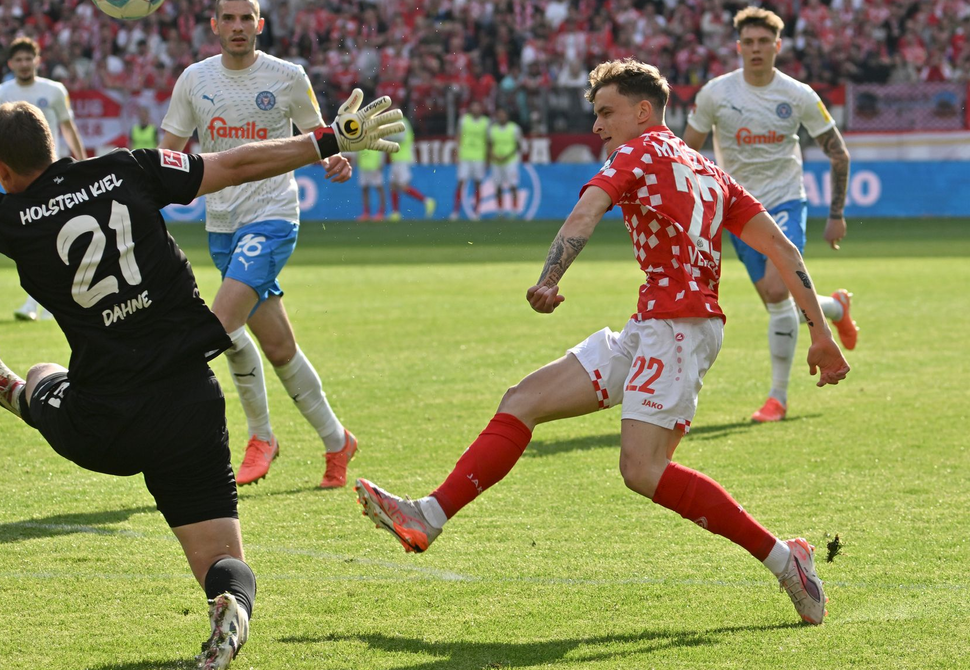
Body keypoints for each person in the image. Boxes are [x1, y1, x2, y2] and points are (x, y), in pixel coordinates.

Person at [0, 24, 400, 669]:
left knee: (43, 372)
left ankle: (22, 394)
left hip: (104, 420)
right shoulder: (127, 168)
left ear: (3, 170)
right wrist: (328, 139)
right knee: (221, 562)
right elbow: (234, 165)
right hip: (189, 404)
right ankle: (230, 606)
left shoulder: (11, 219)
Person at [355, 58, 850, 627]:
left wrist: (549, 278)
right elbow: (784, 252)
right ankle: (428, 516)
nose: (597, 126)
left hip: (680, 330)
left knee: (642, 470)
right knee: (523, 399)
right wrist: (821, 333)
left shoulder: (635, 153)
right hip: (655, 325)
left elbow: (587, 210)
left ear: (644, 112)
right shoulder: (711, 172)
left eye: (606, 112)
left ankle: (789, 563)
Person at [159, 0, 360, 489]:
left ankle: (260, 438)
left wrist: (332, 158)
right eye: (228, 18)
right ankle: (338, 441)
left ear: (259, 24)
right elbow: (167, 150)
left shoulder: (288, 76)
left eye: (245, 18)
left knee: (220, 328)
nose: (237, 26)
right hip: (221, 224)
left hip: (272, 217)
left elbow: (318, 137)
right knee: (277, 346)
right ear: (214, 25)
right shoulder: (195, 79)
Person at [683, 7, 858, 423]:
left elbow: (839, 153)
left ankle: (777, 398)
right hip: (737, 211)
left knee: (779, 292)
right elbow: (686, 153)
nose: (756, 49)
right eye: (749, 42)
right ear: (739, 46)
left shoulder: (798, 95)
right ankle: (834, 307)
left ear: (778, 46)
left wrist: (836, 214)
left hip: (784, 203)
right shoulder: (715, 94)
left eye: (764, 42)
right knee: (774, 296)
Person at [0, 36, 87, 322]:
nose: (24, 64)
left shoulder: (54, 90)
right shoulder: (0, 92)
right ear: (10, 64)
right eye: (18, 59)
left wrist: (82, 164)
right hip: (18, 179)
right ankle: (47, 301)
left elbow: (68, 127)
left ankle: (37, 303)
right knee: (36, 238)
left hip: (53, 174)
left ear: (37, 61)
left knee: (54, 234)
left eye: (28, 58)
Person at [386, 113, 436, 221]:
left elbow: (400, 137)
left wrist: (386, 136)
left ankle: (427, 201)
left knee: (403, 186)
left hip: (403, 158)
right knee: (393, 185)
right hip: (396, 159)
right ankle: (396, 213)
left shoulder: (403, 122)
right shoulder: (394, 123)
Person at [450, 100, 488, 220]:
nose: (476, 108)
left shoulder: (486, 122)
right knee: (461, 183)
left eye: (478, 106)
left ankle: (476, 211)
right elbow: (458, 137)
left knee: (477, 184)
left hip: (479, 156)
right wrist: (456, 153)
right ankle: (456, 211)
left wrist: (487, 158)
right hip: (465, 156)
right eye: (474, 106)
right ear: (470, 108)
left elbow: (488, 141)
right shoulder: (463, 120)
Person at [487, 107, 523, 219]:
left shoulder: (514, 128)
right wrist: (494, 155)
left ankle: (514, 210)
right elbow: (489, 145)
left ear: (507, 116)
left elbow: (518, 145)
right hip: (496, 161)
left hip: (510, 161)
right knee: (498, 186)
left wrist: (507, 155)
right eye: (499, 115)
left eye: (503, 114)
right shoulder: (492, 129)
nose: (501, 117)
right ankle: (500, 210)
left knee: (513, 185)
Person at [356, 147, 387, 221]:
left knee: (379, 189)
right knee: (364, 189)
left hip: (375, 167)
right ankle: (366, 213)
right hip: (363, 166)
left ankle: (381, 213)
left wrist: (381, 164)